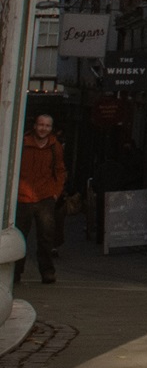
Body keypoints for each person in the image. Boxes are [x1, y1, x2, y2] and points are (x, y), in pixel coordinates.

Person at [17, 112, 66, 283]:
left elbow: (60, 171)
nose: (43, 128)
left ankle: (47, 272)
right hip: (23, 198)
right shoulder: (22, 143)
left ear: (51, 128)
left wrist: (55, 192)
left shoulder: (55, 147)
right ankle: (15, 272)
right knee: (19, 237)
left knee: (46, 238)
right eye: (41, 125)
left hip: (45, 197)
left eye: (47, 126)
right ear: (35, 126)